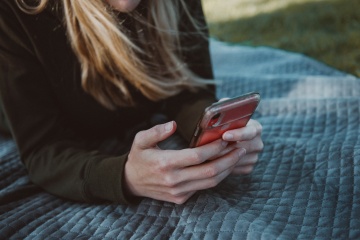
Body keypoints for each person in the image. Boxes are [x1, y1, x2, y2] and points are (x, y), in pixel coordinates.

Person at [0, 0, 263, 205]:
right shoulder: (15, 12)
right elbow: (43, 150)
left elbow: (188, 89)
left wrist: (216, 131)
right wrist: (125, 178)